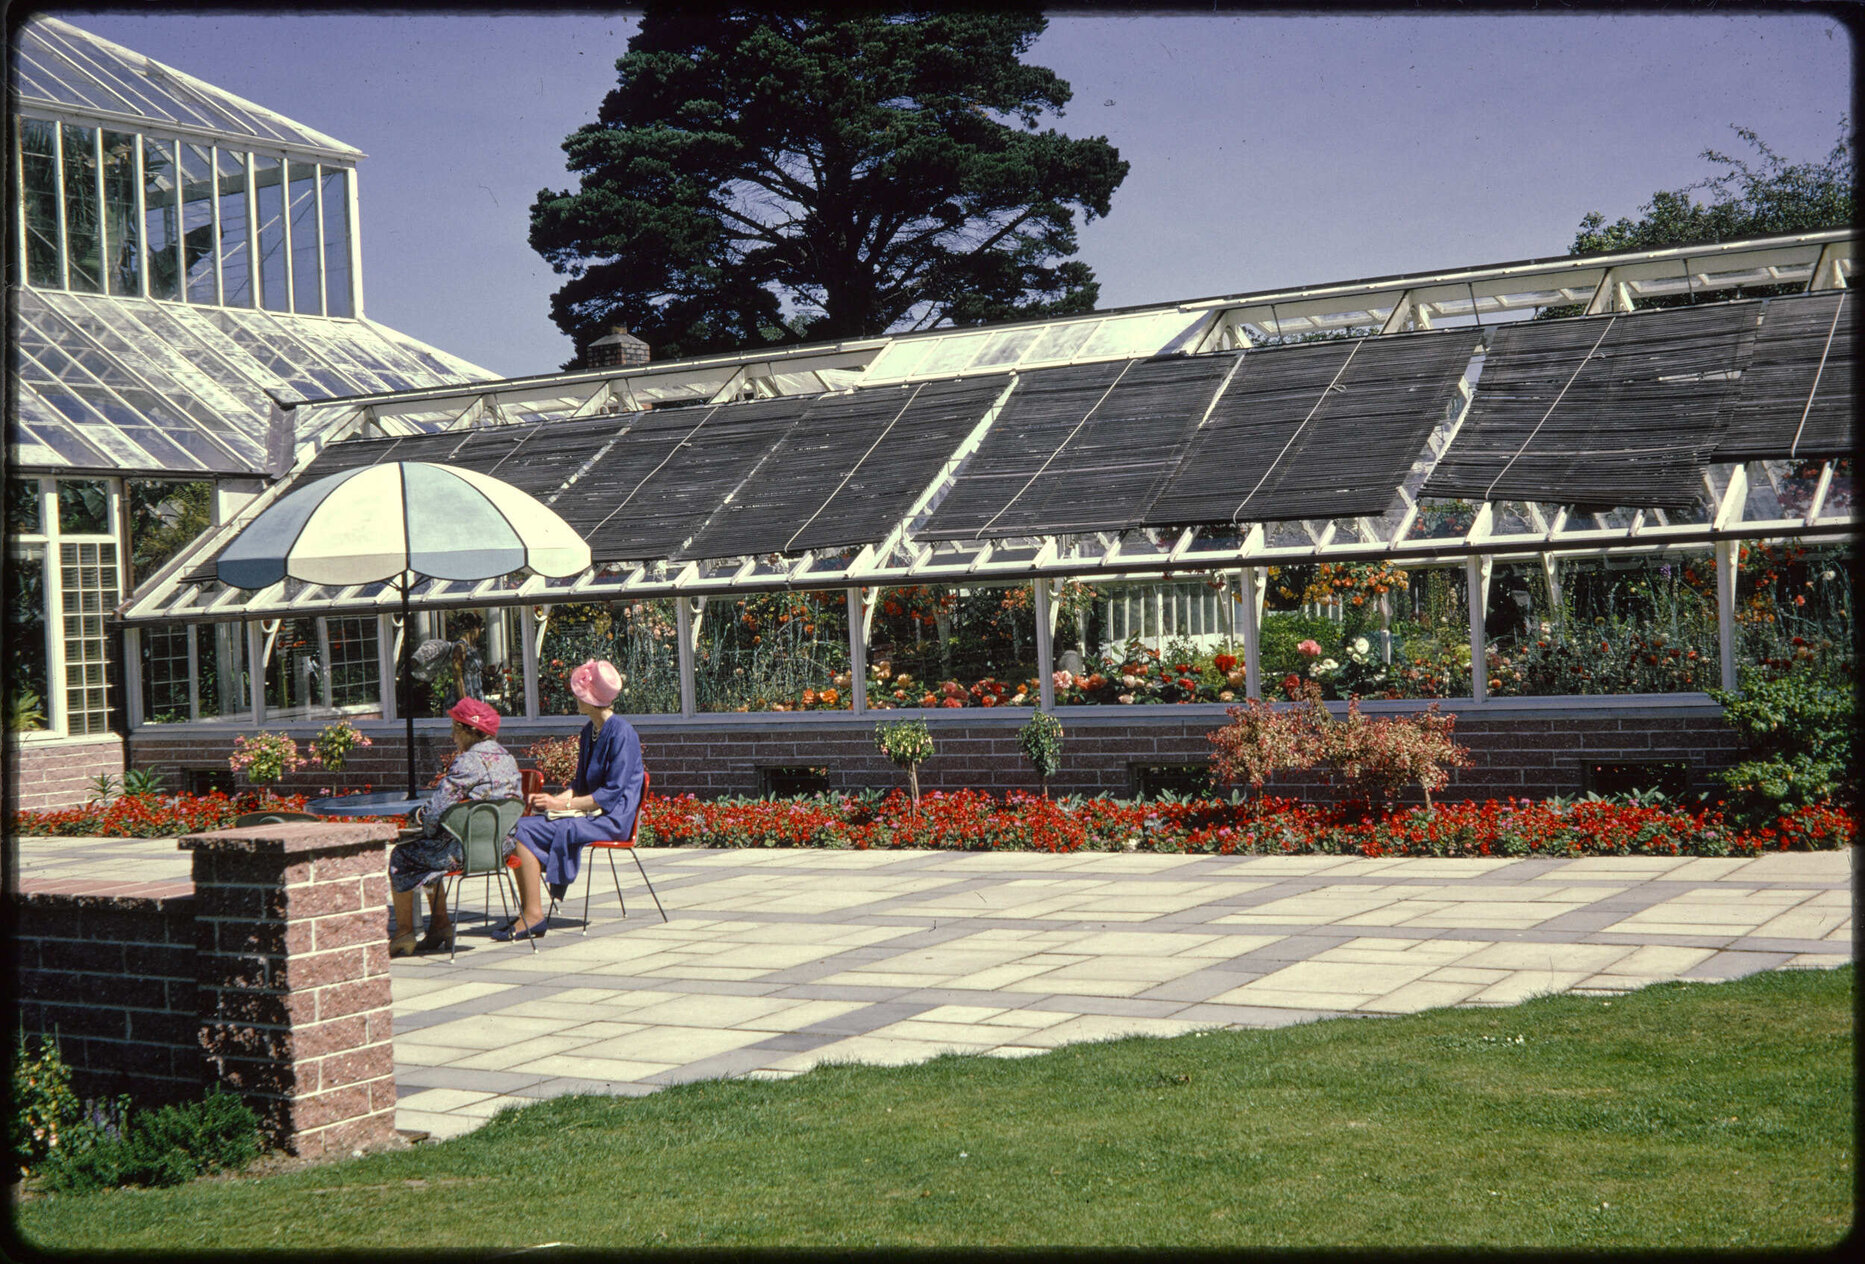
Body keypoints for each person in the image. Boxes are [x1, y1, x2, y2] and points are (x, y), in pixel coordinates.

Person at [499, 659, 645, 942]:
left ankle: (533, 915)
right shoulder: (588, 732)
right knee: (521, 828)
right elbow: (578, 787)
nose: (575, 698)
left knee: (562, 828)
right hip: (590, 813)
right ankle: (532, 911)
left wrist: (561, 807)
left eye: (580, 693)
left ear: (592, 700)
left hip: (613, 819)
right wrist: (552, 800)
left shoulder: (623, 733)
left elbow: (610, 795)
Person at [387, 697, 521, 956]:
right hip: (499, 848)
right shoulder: (508, 758)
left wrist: (418, 820)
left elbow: (437, 810)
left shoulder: (467, 762)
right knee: (430, 849)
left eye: (455, 728)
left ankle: (404, 933)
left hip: (466, 852)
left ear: (469, 730)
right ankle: (439, 926)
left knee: (402, 854)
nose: (452, 735)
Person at [449, 612, 485, 705]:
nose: (479, 633)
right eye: (479, 629)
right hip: (467, 697)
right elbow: (457, 677)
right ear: (474, 629)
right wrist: (465, 703)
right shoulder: (460, 648)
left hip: (476, 696)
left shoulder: (472, 647)